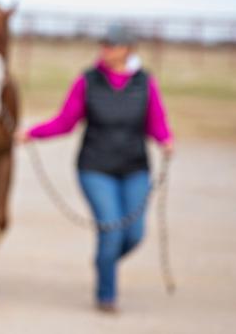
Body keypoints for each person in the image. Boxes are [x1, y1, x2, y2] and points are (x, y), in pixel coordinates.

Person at [15, 24, 173, 313]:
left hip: (135, 168)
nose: (105, 50)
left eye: (112, 45)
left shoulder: (144, 82)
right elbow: (65, 121)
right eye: (103, 44)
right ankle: (106, 295)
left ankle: (104, 260)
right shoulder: (87, 81)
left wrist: (165, 140)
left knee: (134, 234)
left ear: (127, 49)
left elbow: (156, 121)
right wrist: (32, 133)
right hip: (95, 168)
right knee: (111, 229)